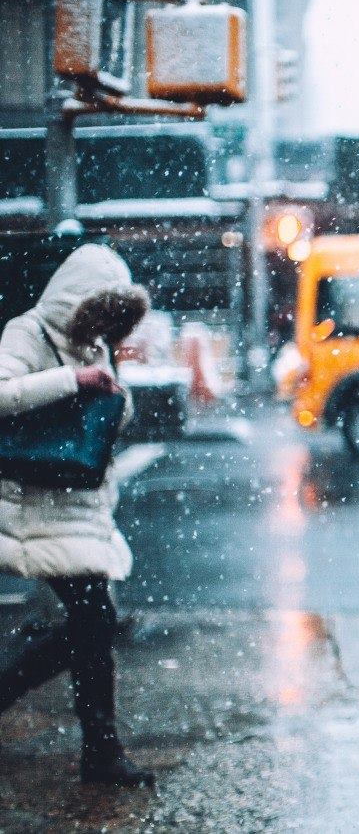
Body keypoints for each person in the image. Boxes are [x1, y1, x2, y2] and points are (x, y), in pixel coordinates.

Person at [0, 243, 154, 787]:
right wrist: (73, 381)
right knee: (94, 621)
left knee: (94, 623)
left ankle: (102, 750)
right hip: (35, 501)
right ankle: (101, 750)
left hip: (78, 502)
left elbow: (108, 419)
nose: (107, 326)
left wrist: (112, 389)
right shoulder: (28, 333)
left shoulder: (93, 346)